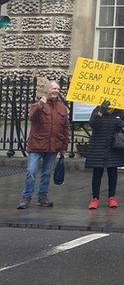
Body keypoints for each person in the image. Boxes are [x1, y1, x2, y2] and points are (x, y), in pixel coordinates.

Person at [18, 81, 70, 209]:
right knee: (31, 171)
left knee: (46, 173)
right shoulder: (37, 105)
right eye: (53, 88)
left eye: (57, 89)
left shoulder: (62, 108)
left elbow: (65, 128)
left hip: (53, 146)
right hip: (37, 144)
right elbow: (32, 117)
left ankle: (42, 197)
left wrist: (64, 147)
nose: (56, 91)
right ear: (47, 89)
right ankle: (26, 197)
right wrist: (41, 103)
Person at [86, 100, 124, 209]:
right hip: (98, 145)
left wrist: (122, 125)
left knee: (112, 171)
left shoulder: (121, 112)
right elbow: (92, 123)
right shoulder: (98, 110)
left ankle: (112, 197)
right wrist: (101, 111)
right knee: (97, 172)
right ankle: (95, 198)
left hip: (113, 146)